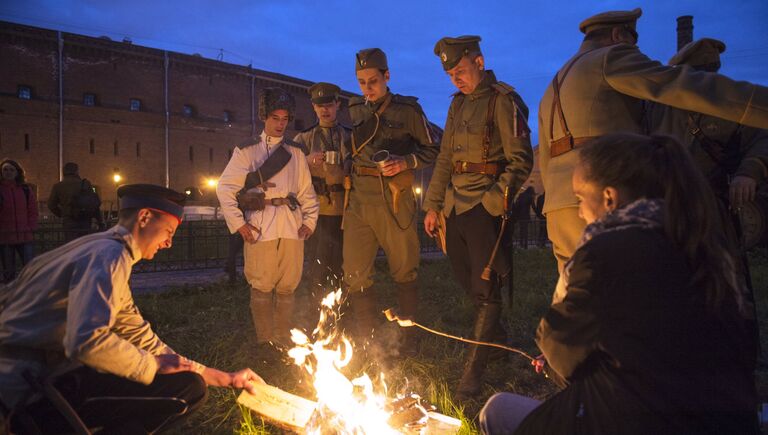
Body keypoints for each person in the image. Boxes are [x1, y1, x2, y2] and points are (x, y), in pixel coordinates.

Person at [479, 134, 758, 434]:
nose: (580, 212)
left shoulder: (606, 251)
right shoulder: (704, 247)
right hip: (731, 420)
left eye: (580, 199)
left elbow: (560, 347)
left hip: (644, 421)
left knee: (497, 411)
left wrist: (553, 359)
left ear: (609, 198)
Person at [538, 7, 768, 302]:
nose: (636, 49)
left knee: (578, 299)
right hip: (604, 198)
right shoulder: (612, 57)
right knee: (624, 300)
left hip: (560, 207)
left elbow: (545, 160)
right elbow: (679, 85)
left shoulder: (554, 85)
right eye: (633, 41)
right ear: (618, 35)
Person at [0, 184, 263, 434]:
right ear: (145, 217)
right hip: (26, 391)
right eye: (169, 232)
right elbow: (86, 340)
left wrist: (226, 378)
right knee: (186, 390)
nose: (169, 243)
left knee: (180, 374)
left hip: (31, 379)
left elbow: (140, 336)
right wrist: (151, 365)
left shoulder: (96, 248)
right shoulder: (108, 257)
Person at [422, 36, 533, 398]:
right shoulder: (456, 106)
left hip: (484, 206)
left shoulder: (504, 100)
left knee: (485, 290)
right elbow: (443, 160)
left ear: (479, 62)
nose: (456, 79)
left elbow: (520, 161)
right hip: (454, 206)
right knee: (468, 281)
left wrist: (494, 202)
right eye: (450, 74)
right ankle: (497, 340)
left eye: (460, 71)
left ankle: (473, 373)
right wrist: (434, 205)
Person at [343, 48, 438, 356]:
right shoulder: (355, 107)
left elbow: (433, 151)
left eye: (373, 81)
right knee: (355, 272)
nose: (367, 88)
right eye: (361, 82)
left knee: (404, 268)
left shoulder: (408, 110)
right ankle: (369, 338)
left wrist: (406, 161)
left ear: (387, 76)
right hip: (359, 197)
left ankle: (409, 338)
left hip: (393, 197)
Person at [217, 87, 319, 348]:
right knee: (261, 285)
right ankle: (265, 342)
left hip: (291, 225)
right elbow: (225, 188)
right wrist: (239, 224)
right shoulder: (247, 150)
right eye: (275, 118)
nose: (280, 124)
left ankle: (282, 338)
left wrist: (309, 221)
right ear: (265, 117)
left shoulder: (296, 152)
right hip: (261, 225)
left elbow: (307, 191)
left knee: (288, 285)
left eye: (285, 119)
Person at [648, 37, 768, 232]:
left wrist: (749, 172)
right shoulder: (657, 106)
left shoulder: (730, 103)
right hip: (666, 200)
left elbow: (761, 138)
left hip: (712, 199)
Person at [294, 82, 351, 294]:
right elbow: (289, 173)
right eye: (320, 106)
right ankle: (316, 310)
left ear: (338, 105)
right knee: (317, 265)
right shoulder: (303, 139)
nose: (325, 110)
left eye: (329, 104)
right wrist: (305, 160)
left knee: (342, 264)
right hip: (315, 213)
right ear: (313, 107)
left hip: (344, 213)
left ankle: (340, 312)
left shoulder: (349, 137)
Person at [0, 159, 38, 283]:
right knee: (8, 271)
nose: (8, 172)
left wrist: (31, 226)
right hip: (5, 236)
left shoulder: (25, 190)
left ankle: (30, 296)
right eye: (5, 169)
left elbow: (32, 210)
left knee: (30, 269)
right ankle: (11, 298)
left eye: (11, 169)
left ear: (17, 172)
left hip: (24, 235)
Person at [47, 162, 104, 242]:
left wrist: (62, 214)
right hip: (85, 220)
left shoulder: (58, 186)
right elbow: (93, 203)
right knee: (85, 245)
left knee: (72, 247)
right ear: (76, 171)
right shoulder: (85, 184)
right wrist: (100, 221)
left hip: (69, 221)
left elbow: (51, 205)